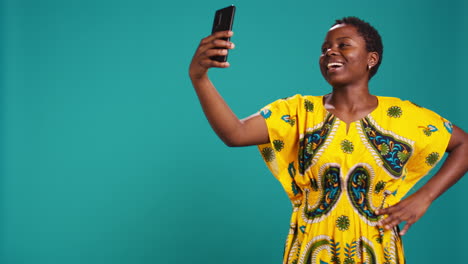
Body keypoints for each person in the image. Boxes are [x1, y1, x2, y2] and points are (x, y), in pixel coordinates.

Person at [189, 16, 468, 264]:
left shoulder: (403, 116)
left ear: (372, 58)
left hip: (378, 250)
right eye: (325, 49)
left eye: (343, 44)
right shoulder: (298, 111)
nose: (330, 51)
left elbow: (463, 145)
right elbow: (234, 134)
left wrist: (425, 197)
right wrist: (199, 78)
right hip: (310, 250)